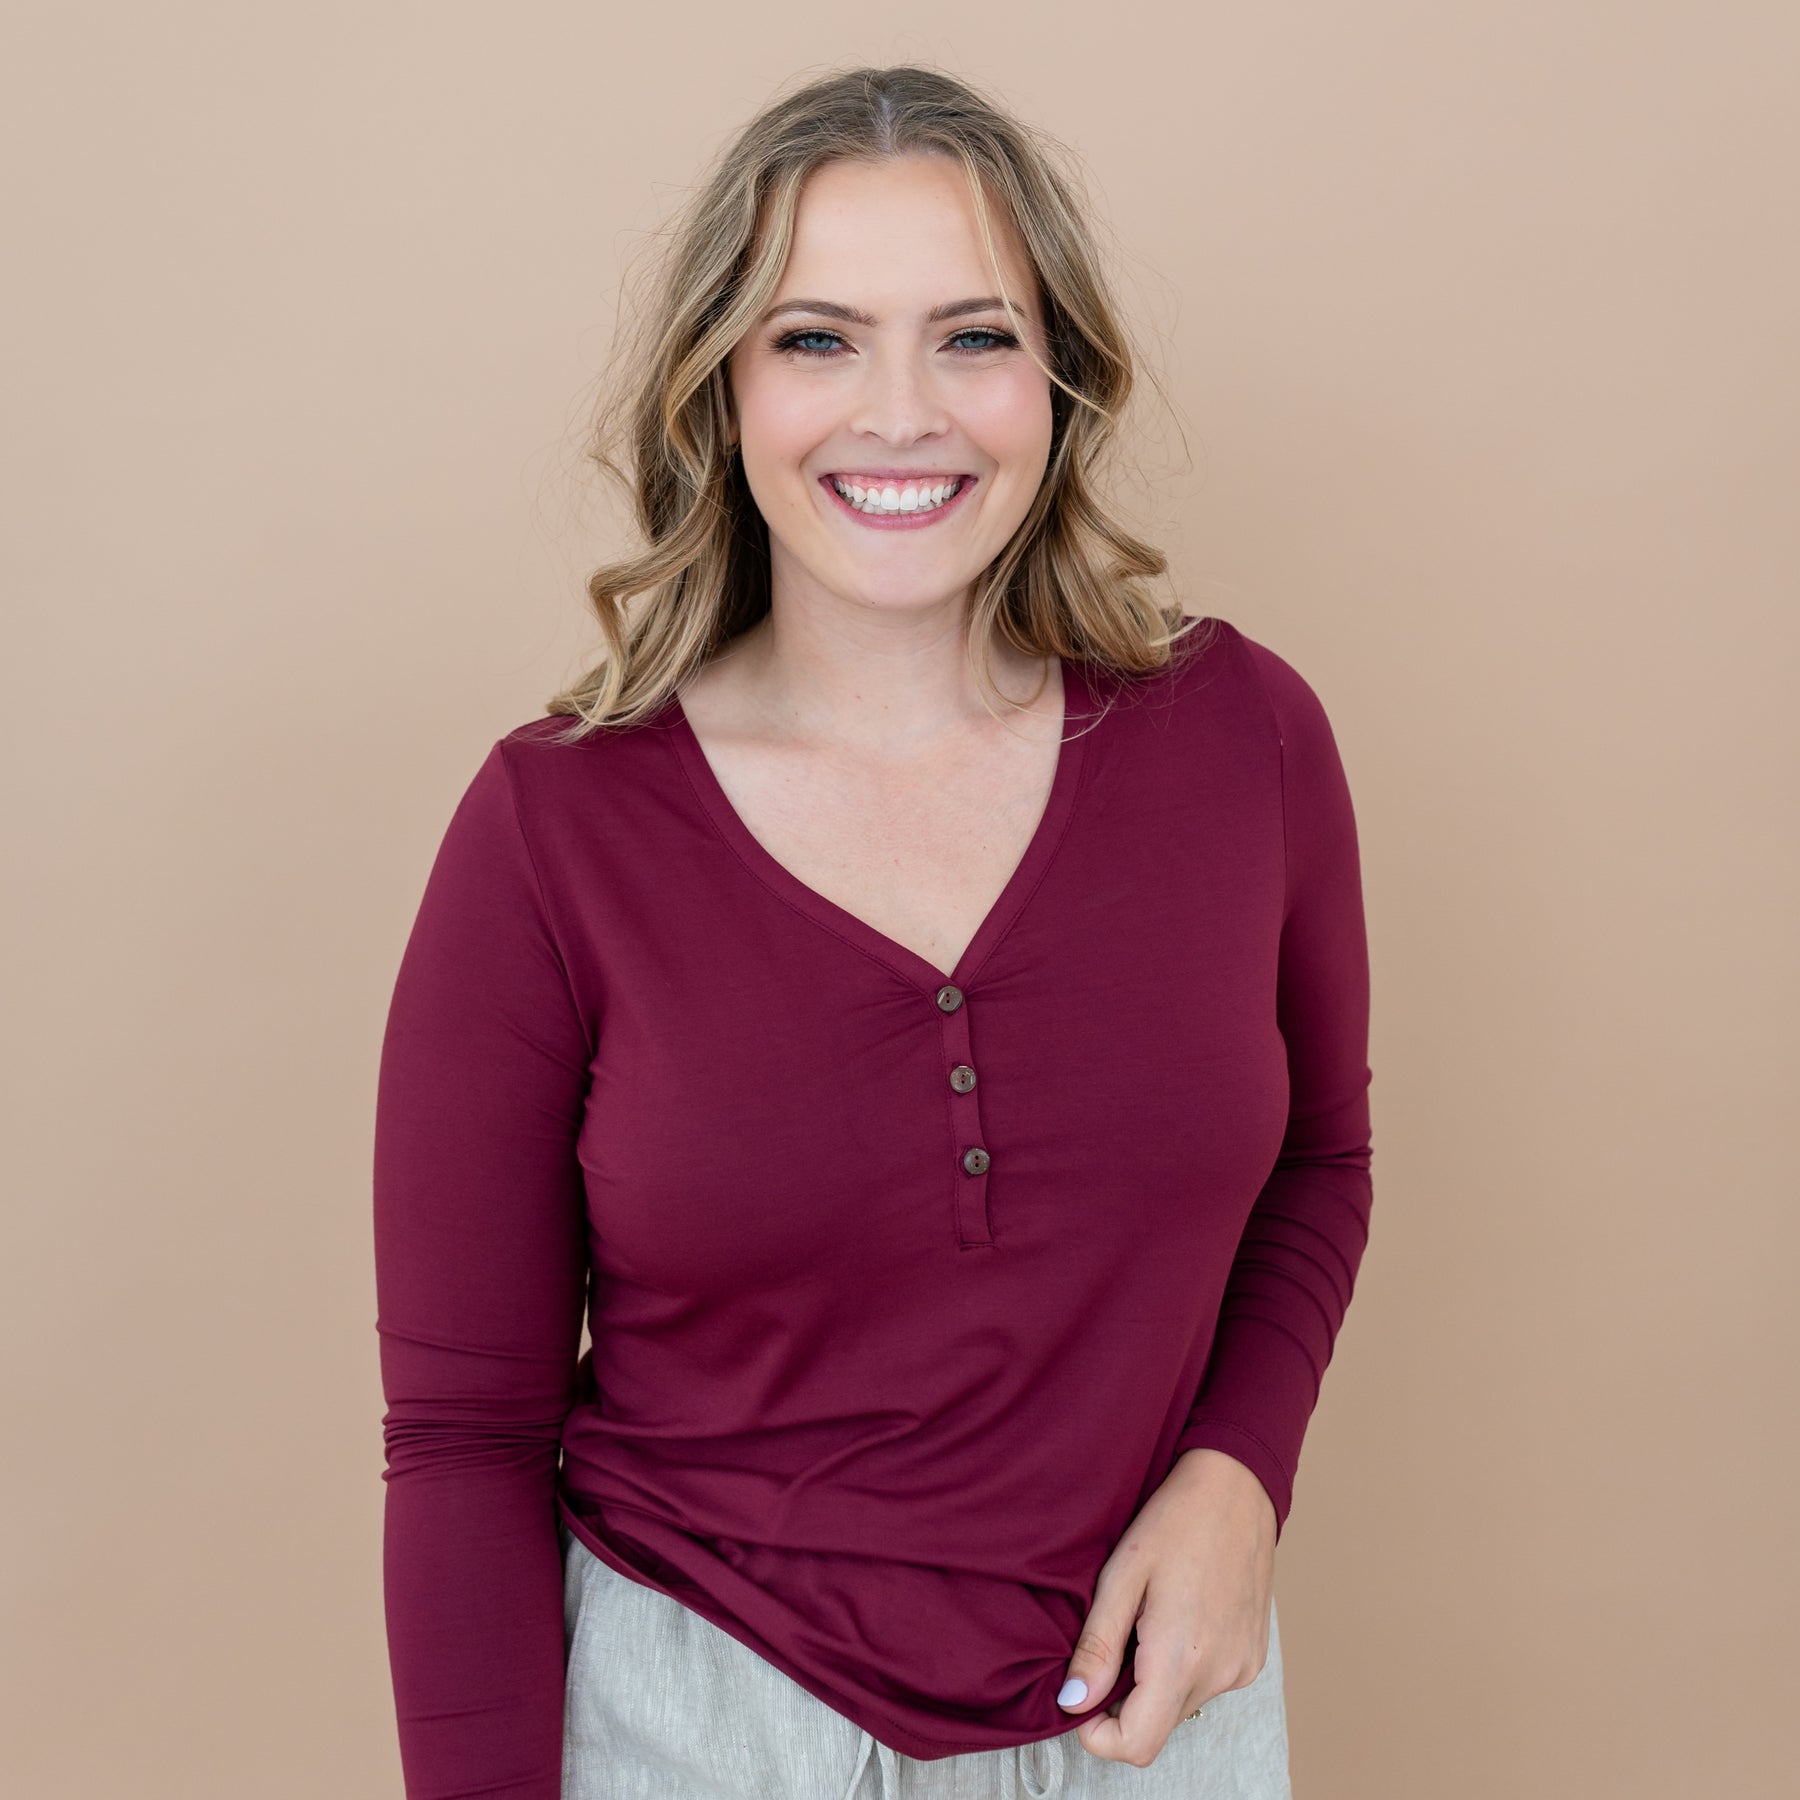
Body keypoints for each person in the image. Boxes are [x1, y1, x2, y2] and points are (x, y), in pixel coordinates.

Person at [373, 62, 1374, 1800]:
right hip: (694, 1726)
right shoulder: (559, 828)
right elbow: (465, 1444)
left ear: (1058, 377)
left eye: (973, 337)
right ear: (723, 388)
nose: (899, 413)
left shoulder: (1245, 739)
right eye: (817, 339)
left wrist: (1240, 1474)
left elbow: (1323, 1158)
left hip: (1159, 1720)